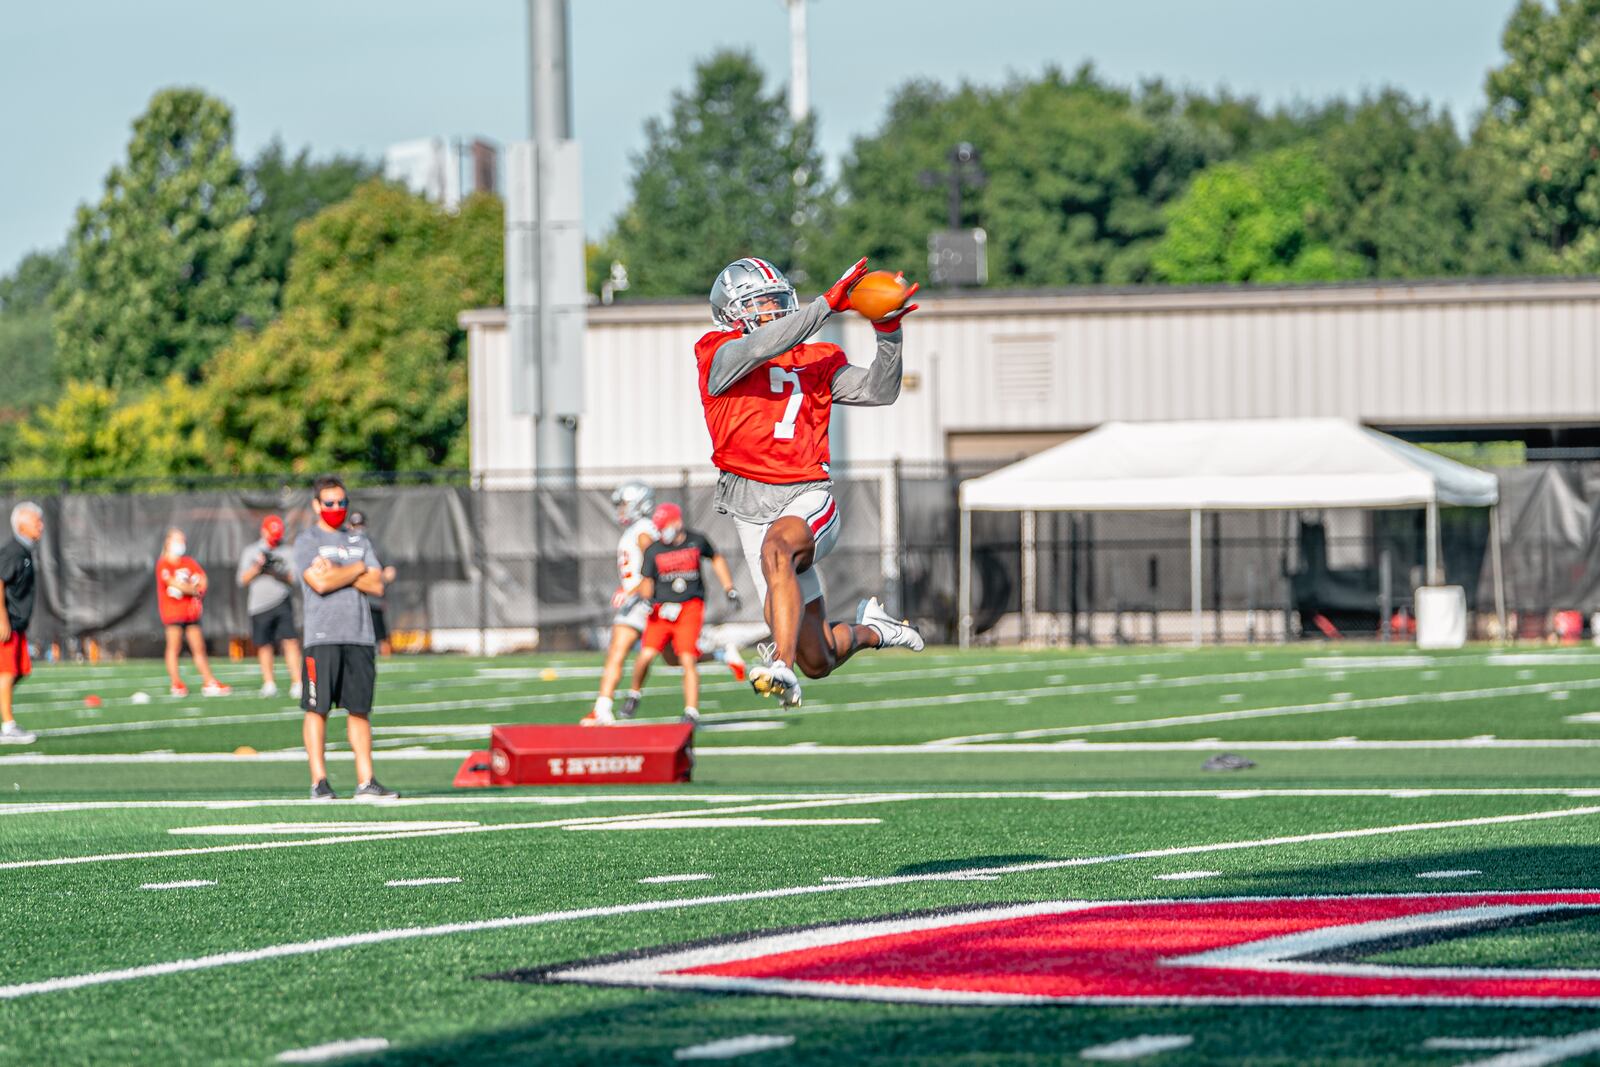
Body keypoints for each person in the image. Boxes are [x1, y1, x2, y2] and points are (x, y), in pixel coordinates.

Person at [697, 257, 925, 708]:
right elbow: (762, 347)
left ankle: (779, 666)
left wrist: (888, 333)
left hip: (806, 497)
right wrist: (825, 306)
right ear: (731, 312)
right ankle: (873, 628)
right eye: (760, 303)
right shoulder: (717, 355)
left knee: (777, 551)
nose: (774, 310)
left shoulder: (815, 361)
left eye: (777, 301)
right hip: (749, 510)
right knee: (818, 658)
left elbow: (880, 390)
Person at [294, 475, 397, 800]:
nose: (336, 508)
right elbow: (318, 583)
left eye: (342, 502)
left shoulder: (360, 541)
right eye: (330, 503)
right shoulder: (306, 541)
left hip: (359, 636)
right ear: (316, 505)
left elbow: (377, 585)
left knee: (360, 710)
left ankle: (366, 781)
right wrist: (357, 570)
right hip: (321, 637)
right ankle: (319, 782)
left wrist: (340, 570)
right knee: (317, 708)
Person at [629, 502, 740, 724]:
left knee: (687, 658)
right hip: (661, 611)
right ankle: (633, 694)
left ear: (676, 522)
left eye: (664, 526)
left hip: (689, 606)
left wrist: (729, 588)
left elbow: (716, 558)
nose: (661, 532)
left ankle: (691, 711)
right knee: (649, 656)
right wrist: (646, 601)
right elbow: (647, 581)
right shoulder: (654, 549)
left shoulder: (696, 540)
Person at [583, 481, 661, 724]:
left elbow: (656, 565)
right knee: (616, 651)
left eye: (625, 504)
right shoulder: (636, 529)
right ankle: (602, 708)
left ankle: (720, 653)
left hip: (646, 601)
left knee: (678, 657)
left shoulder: (644, 531)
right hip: (636, 601)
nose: (621, 509)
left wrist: (633, 591)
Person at [156, 527, 230, 698]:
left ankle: (209, 681)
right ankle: (176, 683)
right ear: (168, 542)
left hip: (191, 612)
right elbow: (174, 584)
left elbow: (203, 580)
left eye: (183, 540)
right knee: (174, 647)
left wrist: (195, 588)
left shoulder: (188, 562)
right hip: (173, 612)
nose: (181, 544)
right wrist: (193, 589)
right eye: (178, 540)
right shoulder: (164, 564)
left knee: (199, 647)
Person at [236, 514, 302, 698]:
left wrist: (275, 571)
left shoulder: (287, 551)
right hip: (259, 605)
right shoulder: (251, 551)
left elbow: (294, 579)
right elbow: (242, 580)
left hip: (282, 601)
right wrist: (258, 567)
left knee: (290, 641)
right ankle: (269, 683)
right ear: (263, 531)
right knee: (264, 644)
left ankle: (297, 682)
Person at [0, 502, 44, 744]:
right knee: (6, 672)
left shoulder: (25, 551)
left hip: (18, 624)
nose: (41, 526)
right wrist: (1, 618)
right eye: (36, 521)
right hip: (8, 623)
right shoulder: (14, 551)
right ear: (21, 526)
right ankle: (8, 726)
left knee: (20, 671)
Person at [346, 511, 398, 656]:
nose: (358, 529)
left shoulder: (374, 545)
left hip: (373, 599)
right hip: (350, 600)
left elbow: (389, 571)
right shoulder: (343, 545)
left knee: (381, 636)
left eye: (360, 525)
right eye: (354, 525)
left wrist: (372, 579)